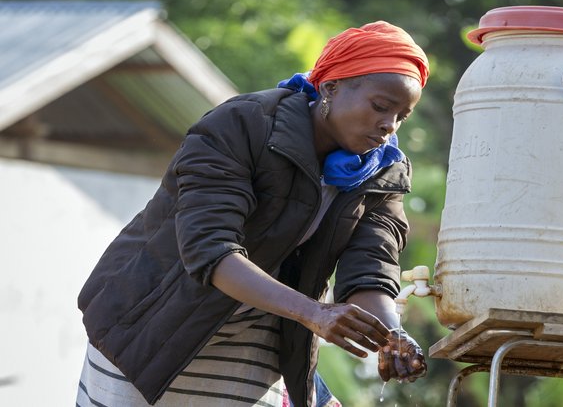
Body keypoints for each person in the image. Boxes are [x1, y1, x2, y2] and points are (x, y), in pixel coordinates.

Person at [76, 21, 429, 407]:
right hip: (153, 326)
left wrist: (392, 334)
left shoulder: (382, 170)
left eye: (402, 116)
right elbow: (210, 251)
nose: (388, 126)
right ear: (330, 87)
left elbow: (371, 268)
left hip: (257, 341)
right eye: (381, 107)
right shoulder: (242, 126)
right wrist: (315, 313)